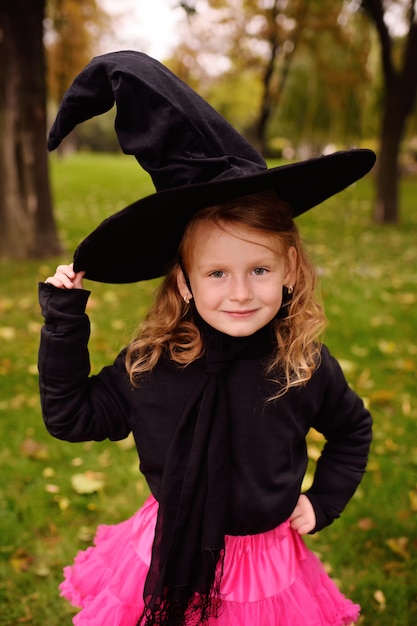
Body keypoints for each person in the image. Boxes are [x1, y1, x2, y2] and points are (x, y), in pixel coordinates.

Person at [39, 51, 375, 626]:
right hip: (167, 549)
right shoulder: (151, 364)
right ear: (185, 284)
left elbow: (351, 428)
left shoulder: (302, 365)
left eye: (260, 270)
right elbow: (70, 416)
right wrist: (65, 323)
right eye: (217, 273)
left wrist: (324, 501)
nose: (240, 292)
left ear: (291, 269)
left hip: (262, 566)